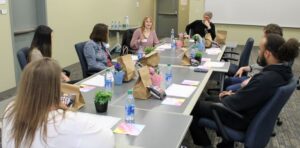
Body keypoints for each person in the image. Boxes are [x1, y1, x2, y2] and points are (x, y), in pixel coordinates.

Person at [189, 34, 299, 147]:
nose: (259, 53)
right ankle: (226, 143)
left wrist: (226, 96)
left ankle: (205, 145)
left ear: (267, 54)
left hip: (239, 118)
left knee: (192, 106)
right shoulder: (283, 73)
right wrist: (233, 93)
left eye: (260, 49)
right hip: (248, 112)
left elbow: (233, 103)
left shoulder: (265, 79)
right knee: (209, 98)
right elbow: (250, 96)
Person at [2, 58, 115, 148]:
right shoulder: (64, 121)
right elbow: (108, 139)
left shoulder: (10, 110)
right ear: (56, 88)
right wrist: (64, 110)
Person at [224, 23, 283, 91]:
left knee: (228, 85)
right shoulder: (271, 52)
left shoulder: (273, 57)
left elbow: (265, 75)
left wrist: (250, 79)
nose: (262, 37)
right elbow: (259, 66)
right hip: (253, 77)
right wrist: (246, 68)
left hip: (255, 81)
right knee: (227, 82)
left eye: (264, 36)